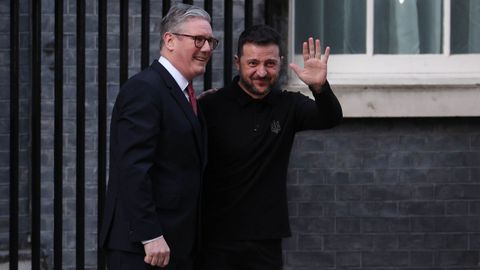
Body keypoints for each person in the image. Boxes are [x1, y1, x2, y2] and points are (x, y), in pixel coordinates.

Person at [198, 24, 343, 269]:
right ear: (237, 62)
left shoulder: (288, 106)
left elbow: (330, 118)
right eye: (253, 63)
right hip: (215, 239)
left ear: (281, 62)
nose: (262, 72)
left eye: (270, 64)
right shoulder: (212, 106)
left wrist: (319, 88)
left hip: (265, 240)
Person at [99, 3, 218, 269]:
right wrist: (150, 235)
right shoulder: (144, 89)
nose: (207, 48)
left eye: (211, 41)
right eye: (198, 39)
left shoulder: (181, 95)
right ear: (170, 40)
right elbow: (132, 168)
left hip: (174, 245)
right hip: (144, 249)